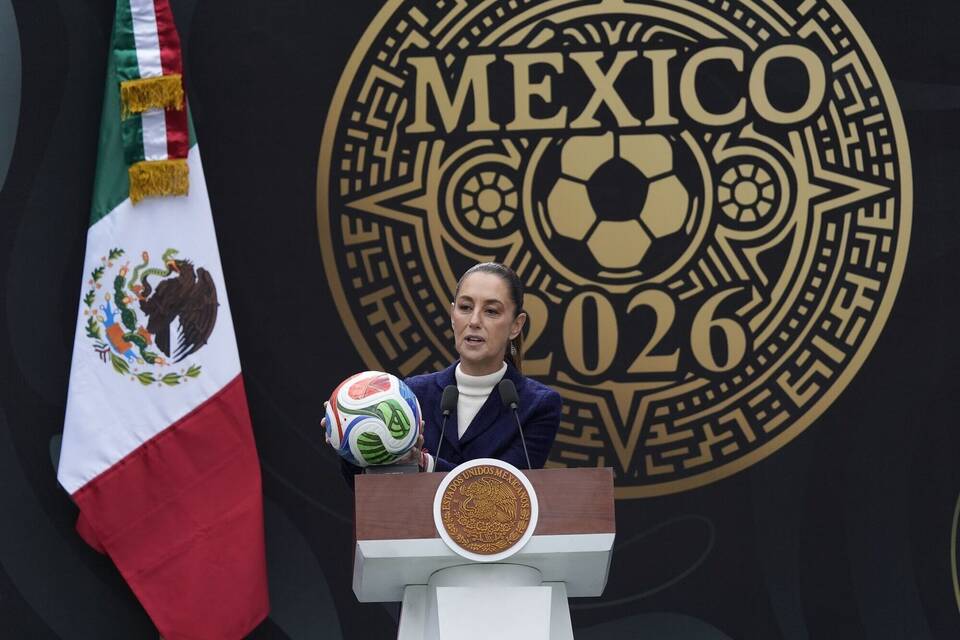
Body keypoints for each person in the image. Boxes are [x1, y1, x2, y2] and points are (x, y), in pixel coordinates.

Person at [333, 262, 562, 482]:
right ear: (453, 316)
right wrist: (349, 439)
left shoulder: (538, 405)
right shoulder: (413, 394)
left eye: (491, 311)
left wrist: (425, 463)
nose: (474, 321)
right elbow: (369, 488)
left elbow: (504, 491)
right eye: (465, 307)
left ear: (516, 325)